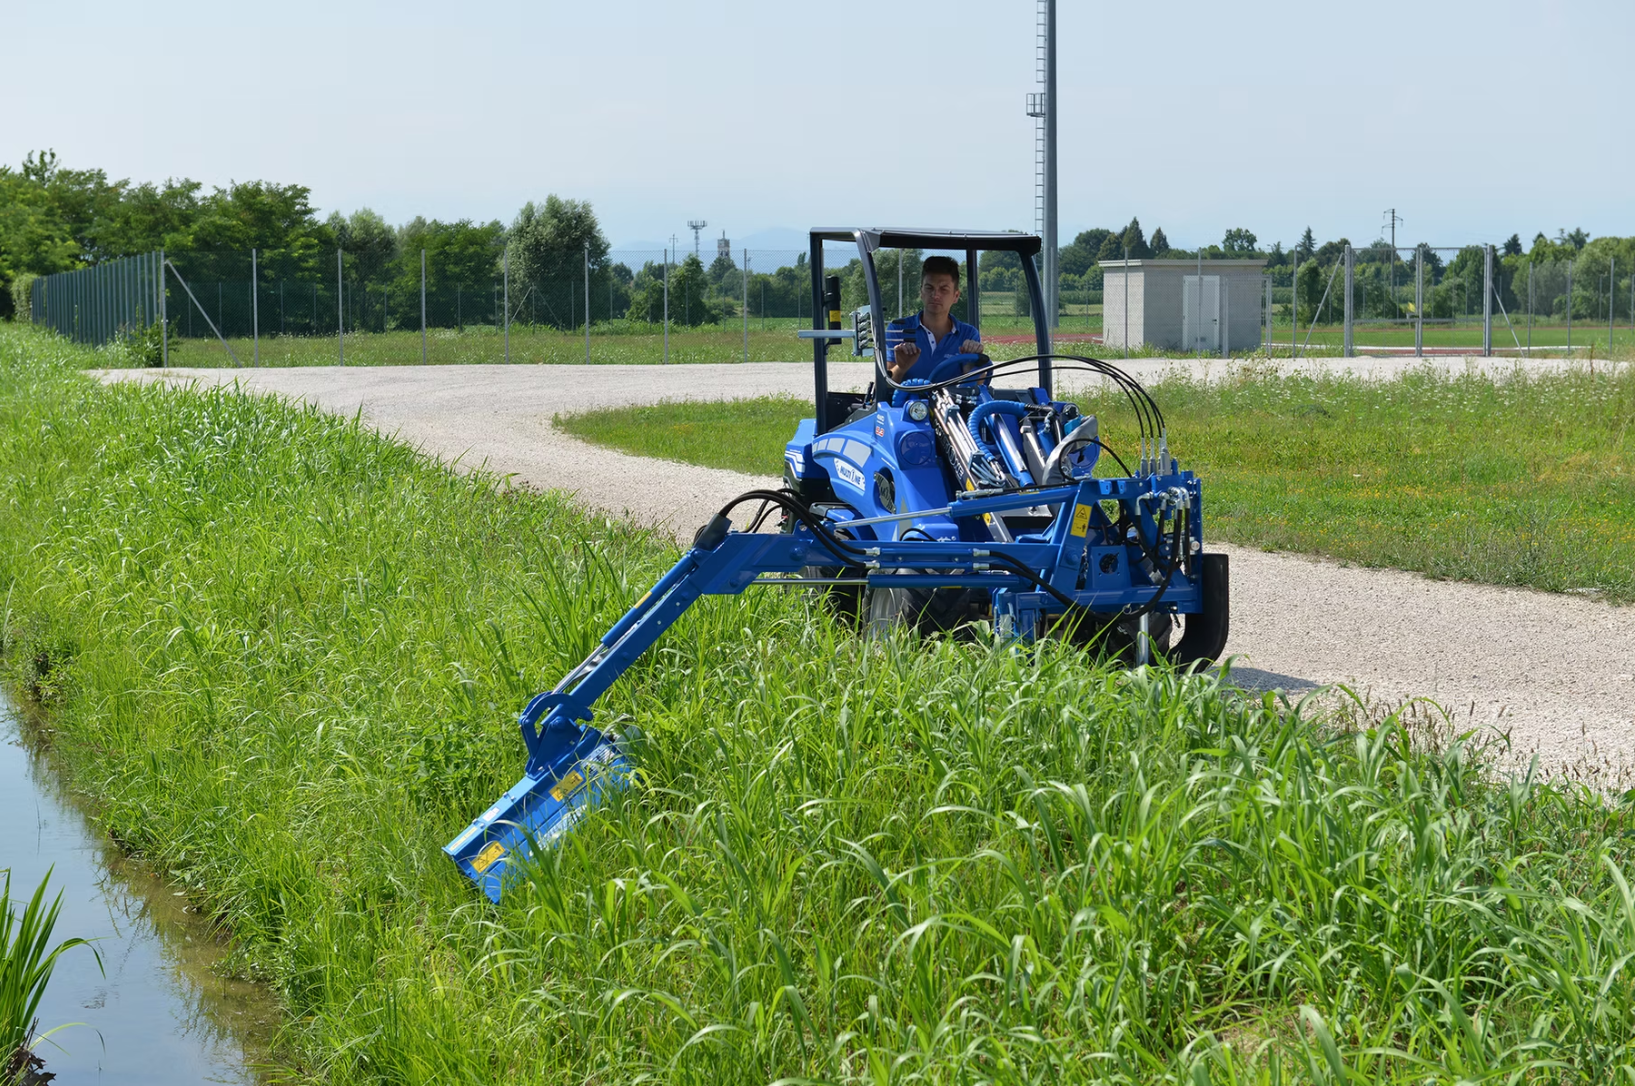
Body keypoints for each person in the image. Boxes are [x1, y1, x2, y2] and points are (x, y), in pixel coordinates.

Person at [886, 256, 983, 383]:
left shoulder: (968, 334)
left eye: (943, 289)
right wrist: (902, 367)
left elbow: (977, 386)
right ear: (921, 292)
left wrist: (970, 365)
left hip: (952, 397)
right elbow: (885, 385)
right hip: (907, 396)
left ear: (956, 296)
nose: (935, 295)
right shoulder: (898, 330)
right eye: (929, 288)